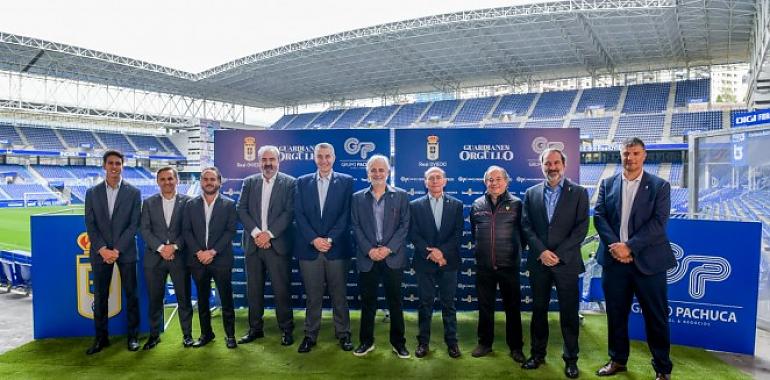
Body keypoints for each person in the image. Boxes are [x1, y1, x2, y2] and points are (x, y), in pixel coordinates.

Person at [594, 137, 675, 380]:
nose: (630, 158)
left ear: (644, 155)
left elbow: (658, 224)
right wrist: (616, 247)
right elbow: (599, 216)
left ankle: (662, 368)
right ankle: (618, 360)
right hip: (613, 261)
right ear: (621, 155)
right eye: (626, 153)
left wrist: (629, 247)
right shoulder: (607, 184)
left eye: (635, 153)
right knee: (616, 314)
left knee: (656, 317)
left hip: (648, 263)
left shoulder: (660, 185)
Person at [521, 148, 589, 378]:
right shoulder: (531, 193)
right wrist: (541, 252)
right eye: (547, 163)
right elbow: (526, 226)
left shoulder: (579, 192)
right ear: (541, 166)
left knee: (569, 313)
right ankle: (537, 355)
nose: (552, 167)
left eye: (556, 163)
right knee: (538, 311)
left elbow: (581, 228)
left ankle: (571, 359)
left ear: (564, 164)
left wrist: (558, 254)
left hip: (566, 262)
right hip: (539, 262)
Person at [294, 142, 355, 353]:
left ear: (334, 157)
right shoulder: (301, 183)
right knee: (313, 296)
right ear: (314, 158)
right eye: (320, 156)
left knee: (339, 295)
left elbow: (346, 215)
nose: (324, 160)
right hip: (309, 250)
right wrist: (314, 239)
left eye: (328, 156)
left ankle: (344, 334)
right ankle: (310, 336)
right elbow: (299, 215)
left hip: (336, 249)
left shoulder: (346, 182)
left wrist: (329, 239)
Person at [350, 154, 410, 358]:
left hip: (392, 257)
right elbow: (355, 227)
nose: (377, 173)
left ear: (388, 172)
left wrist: (387, 249)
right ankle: (366, 342)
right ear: (368, 173)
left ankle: (398, 343)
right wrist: (369, 250)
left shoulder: (401, 195)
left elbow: (404, 226)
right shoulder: (357, 197)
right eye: (373, 170)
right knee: (368, 303)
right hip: (367, 258)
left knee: (395, 302)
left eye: (381, 170)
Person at [237, 145, 296, 346]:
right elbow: (241, 209)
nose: (268, 163)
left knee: (281, 290)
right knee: (254, 290)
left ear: (279, 161)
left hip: (277, 245)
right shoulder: (249, 182)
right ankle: (255, 329)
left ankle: (286, 330)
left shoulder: (290, 183)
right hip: (253, 246)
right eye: (264, 160)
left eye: (272, 159)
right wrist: (256, 234)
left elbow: (289, 213)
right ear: (259, 162)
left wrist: (269, 235)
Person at [84, 150, 141, 355]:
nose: (114, 167)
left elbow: (134, 225)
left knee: (131, 295)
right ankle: (101, 339)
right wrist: (102, 249)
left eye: (118, 163)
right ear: (104, 166)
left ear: (122, 166)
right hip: (100, 253)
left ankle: (133, 337)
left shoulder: (134, 192)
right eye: (111, 163)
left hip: (124, 252)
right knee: (100, 297)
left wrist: (116, 250)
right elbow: (90, 225)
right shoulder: (92, 192)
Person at [469, 165, 526, 363]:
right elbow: (475, 232)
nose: (494, 183)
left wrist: (514, 254)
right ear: (485, 182)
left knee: (512, 308)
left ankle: (516, 347)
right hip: (484, 267)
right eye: (490, 180)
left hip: (509, 266)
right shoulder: (476, 204)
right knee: (485, 307)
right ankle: (485, 343)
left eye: (498, 179)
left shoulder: (518, 204)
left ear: (506, 182)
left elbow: (524, 234)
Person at [408, 167, 463, 359]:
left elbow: (457, 235)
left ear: (445, 181)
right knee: (425, 304)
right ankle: (423, 342)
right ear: (425, 182)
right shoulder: (414, 205)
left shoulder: (457, 204)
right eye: (430, 178)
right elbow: (413, 234)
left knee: (449, 304)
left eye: (438, 177)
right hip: (425, 262)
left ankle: (452, 343)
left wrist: (441, 253)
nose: (435, 181)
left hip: (448, 261)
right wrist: (430, 253)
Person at [139, 166, 193, 350]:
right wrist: (162, 248)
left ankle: (187, 335)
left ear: (176, 180)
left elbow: (189, 230)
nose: (167, 182)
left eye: (170, 178)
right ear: (157, 182)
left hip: (180, 258)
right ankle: (154, 335)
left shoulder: (188, 202)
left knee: (183, 298)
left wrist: (174, 247)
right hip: (155, 258)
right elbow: (144, 230)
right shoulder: (148, 203)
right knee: (155, 299)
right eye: (162, 179)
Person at [183, 167, 238, 349]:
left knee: (226, 300)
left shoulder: (229, 204)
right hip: (198, 261)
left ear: (219, 182)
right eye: (205, 179)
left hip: (220, 260)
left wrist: (212, 252)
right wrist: (199, 252)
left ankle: (230, 335)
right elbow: (187, 231)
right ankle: (206, 334)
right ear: (201, 182)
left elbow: (230, 231)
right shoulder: (190, 205)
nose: (209, 182)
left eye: (212, 179)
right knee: (203, 299)